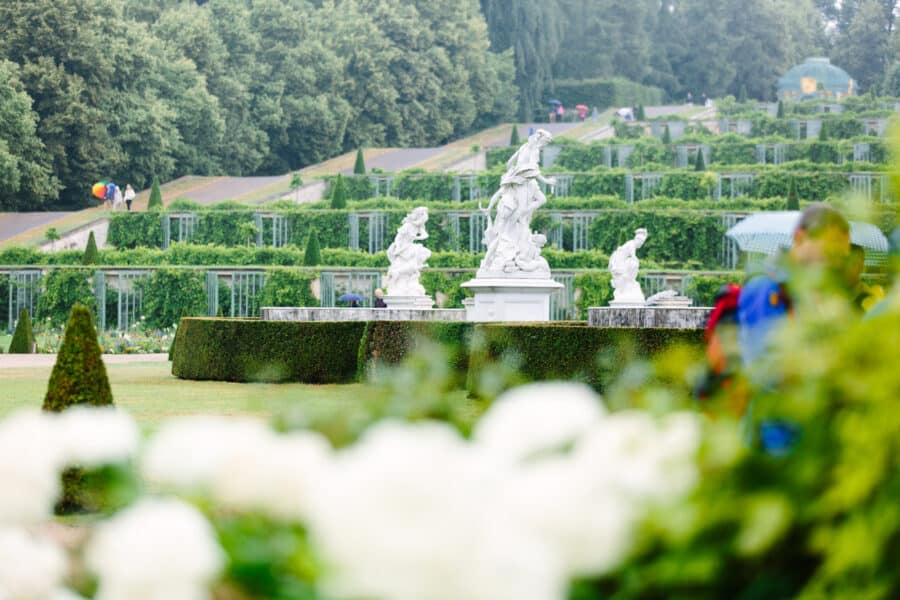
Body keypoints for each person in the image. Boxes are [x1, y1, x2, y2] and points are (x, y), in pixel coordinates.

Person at [737, 203, 850, 454]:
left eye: (840, 257)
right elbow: (765, 369)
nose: (834, 263)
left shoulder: (810, 293)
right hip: (773, 443)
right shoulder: (767, 288)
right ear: (801, 238)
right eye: (829, 251)